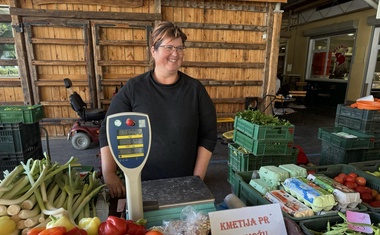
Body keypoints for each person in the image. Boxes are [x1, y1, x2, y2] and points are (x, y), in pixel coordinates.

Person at [99, 21, 218, 198]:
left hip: (185, 183)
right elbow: (106, 132)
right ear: (153, 50)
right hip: (142, 183)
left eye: (180, 48)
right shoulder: (134, 89)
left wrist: (197, 179)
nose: (175, 53)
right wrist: (109, 173)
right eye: (169, 47)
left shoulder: (195, 90)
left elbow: (208, 135)